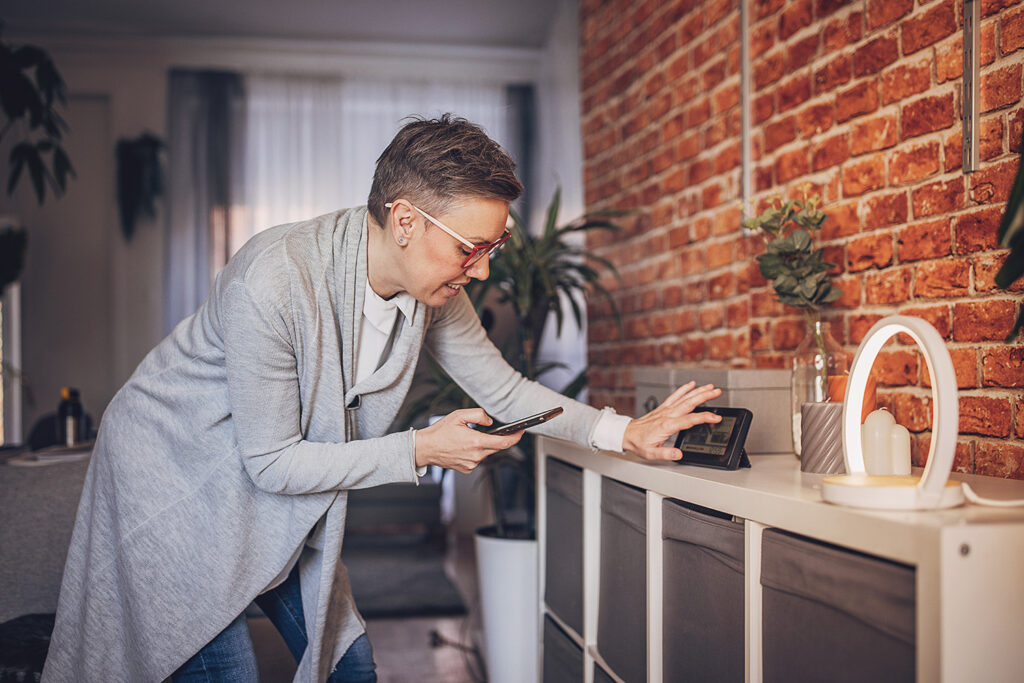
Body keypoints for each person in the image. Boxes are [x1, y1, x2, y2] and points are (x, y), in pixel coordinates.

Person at [42, 115, 722, 682]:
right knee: (223, 671)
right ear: (403, 221)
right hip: (175, 480)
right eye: (472, 247)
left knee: (352, 666)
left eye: (496, 244)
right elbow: (274, 464)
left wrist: (623, 432)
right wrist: (423, 447)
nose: (483, 268)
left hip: (274, 481)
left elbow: (505, 387)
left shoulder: (436, 293)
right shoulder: (273, 280)